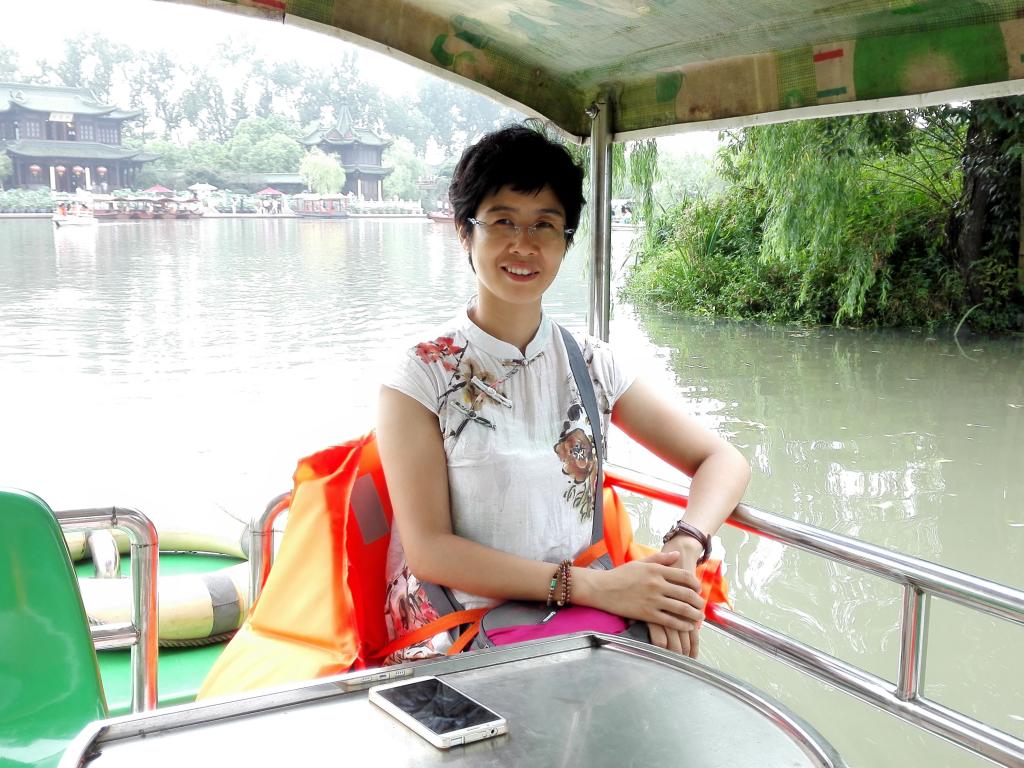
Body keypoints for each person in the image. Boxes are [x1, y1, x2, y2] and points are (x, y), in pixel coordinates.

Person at [377, 125, 750, 663]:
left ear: (566, 240)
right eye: (502, 221)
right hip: (455, 632)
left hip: (571, 621)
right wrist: (595, 586)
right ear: (464, 232)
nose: (523, 245)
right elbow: (430, 551)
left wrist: (685, 546)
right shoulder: (421, 375)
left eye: (545, 225)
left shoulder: (592, 364)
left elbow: (723, 460)